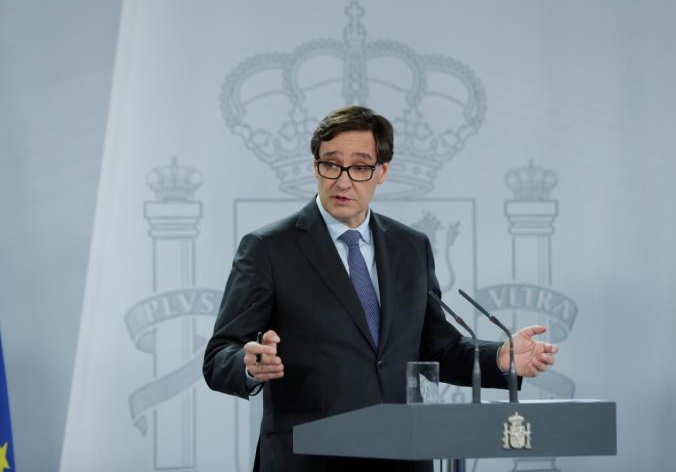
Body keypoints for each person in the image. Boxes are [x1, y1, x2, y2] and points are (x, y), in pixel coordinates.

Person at [203, 106, 558, 472]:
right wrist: (248, 365)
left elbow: (436, 347)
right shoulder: (269, 248)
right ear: (315, 167)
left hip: (403, 454)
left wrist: (499, 357)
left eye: (359, 167)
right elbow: (218, 356)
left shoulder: (411, 246)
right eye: (331, 164)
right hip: (310, 457)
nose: (343, 181)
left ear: (382, 171)